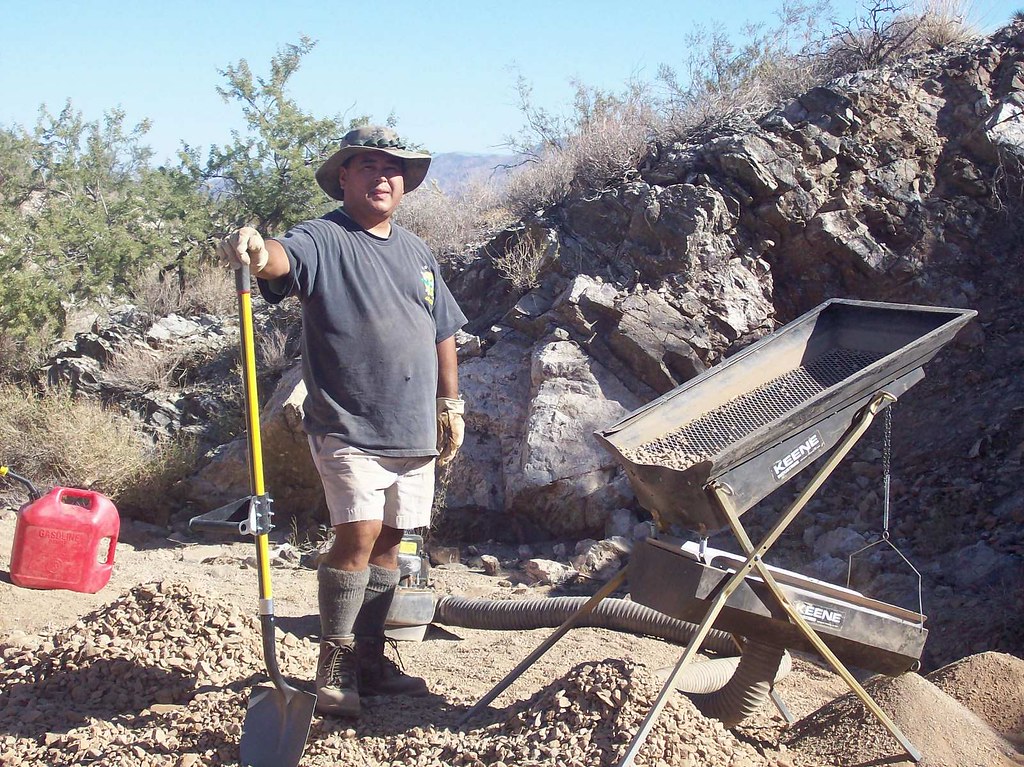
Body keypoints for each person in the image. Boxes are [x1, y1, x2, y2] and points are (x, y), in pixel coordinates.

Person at [216, 125, 467, 718]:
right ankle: (335, 661)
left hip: (411, 426)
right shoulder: (324, 238)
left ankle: (372, 658)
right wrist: (257, 249)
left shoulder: (417, 252)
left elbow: (443, 332)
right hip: (347, 424)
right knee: (356, 536)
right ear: (345, 177)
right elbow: (282, 257)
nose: (382, 176)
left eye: (392, 168)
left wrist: (450, 404)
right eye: (368, 166)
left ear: (404, 184)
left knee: (391, 543)